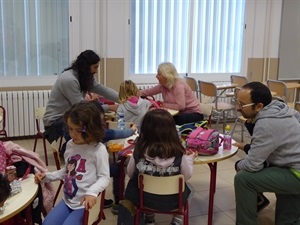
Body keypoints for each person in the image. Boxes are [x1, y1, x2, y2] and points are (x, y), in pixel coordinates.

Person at [233, 82, 300, 225]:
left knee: (243, 179)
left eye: (242, 105)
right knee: (287, 219)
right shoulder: (280, 107)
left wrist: (239, 165)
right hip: (293, 165)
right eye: (237, 102)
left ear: (259, 106)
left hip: (295, 173)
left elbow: (252, 165)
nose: (238, 108)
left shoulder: (266, 124)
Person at [35, 101, 110, 225]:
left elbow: (104, 177)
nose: (73, 134)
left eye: (79, 130)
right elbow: (67, 171)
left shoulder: (98, 149)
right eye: (70, 129)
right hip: (68, 201)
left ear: (91, 129)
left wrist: (92, 192)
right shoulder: (70, 145)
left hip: (83, 205)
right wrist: (47, 177)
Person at [121, 109, 196, 225]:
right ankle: (177, 221)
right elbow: (187, 176)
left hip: (144, 200)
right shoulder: (179, 152)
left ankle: (149, 219)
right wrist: (189, 159)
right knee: (190, 189)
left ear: (144, 130)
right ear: (172, 130)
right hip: (173, 201)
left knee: (139, 184)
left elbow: (131, 174)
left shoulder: (139, 150)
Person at [43, 49, 119, 154]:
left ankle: (71, 148)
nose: (96, 71)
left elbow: (102, 89)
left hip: (68, 115)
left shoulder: (84, 76)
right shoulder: (68, 79)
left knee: (90, 120)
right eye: (95, 67)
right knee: (88, 124)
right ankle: (75, 149)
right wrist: (110, 107)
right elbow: (81, 108)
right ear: (86, 66)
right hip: (55, 122)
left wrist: (123, 98)